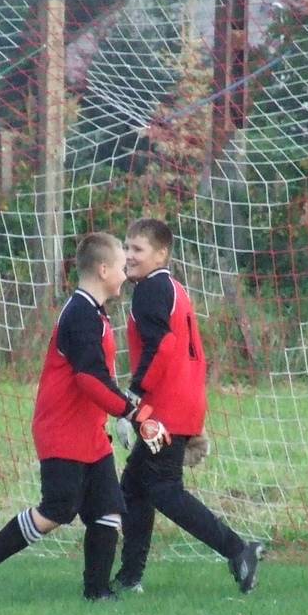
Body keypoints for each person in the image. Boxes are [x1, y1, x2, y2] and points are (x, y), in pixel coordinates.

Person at [0, 232, 169, 602]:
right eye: (121, 265)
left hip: (89, 432)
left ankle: (98, 593)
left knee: (108, 510)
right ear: (103, 270)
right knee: (58, 509)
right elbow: (90, 380)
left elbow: (99, 380)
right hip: (62, 429)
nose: (126, 272)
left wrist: (128, 412)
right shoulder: (81, 314)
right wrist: (135, 413)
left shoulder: (94, 312)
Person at [113, 217, 265, 594]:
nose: (128, 255)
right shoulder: (173, 288)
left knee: (164, 489)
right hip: (180, 404)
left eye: (138, 249)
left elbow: (162, 348)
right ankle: (130, 577)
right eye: (126, 247)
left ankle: (239, 550)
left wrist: (133, 396)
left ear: (161, 254)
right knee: (134, 487)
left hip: (163, 410)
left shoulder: (150, 290)